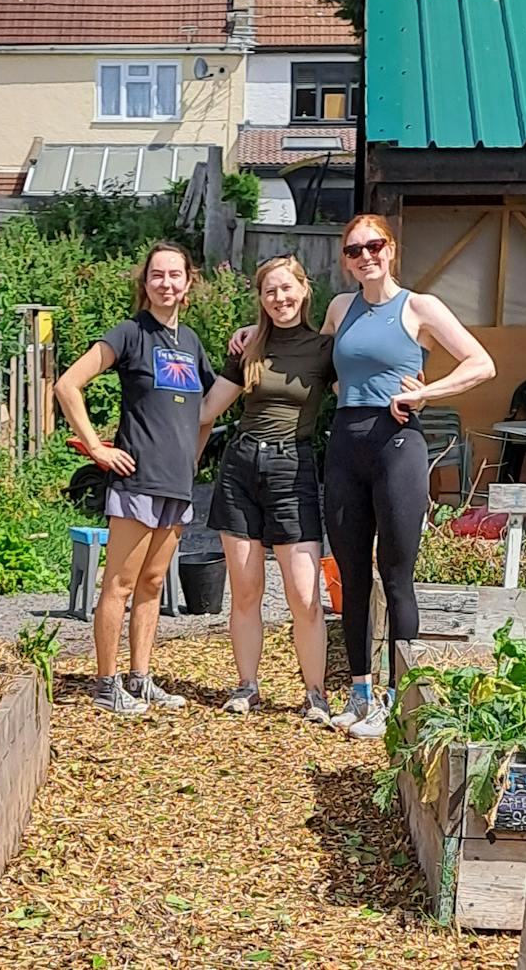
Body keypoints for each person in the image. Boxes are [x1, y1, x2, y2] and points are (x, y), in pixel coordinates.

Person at [228, 216, 494, 738]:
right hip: (346, 446)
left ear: (390, 249)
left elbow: (481, 364)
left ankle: (399, 699)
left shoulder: (420, 307)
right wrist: (254, 334)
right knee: (350, 579)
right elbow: (309, 358)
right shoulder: (340, 309)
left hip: (397, 445)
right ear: (346, 260)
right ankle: (360, 691)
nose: (364, 256)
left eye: (374, 246)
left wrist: (425, 393)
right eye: (354, 250)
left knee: (396, 577)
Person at [54, 242, 215, 716]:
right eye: (157, 275)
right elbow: (67, 385)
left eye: (175, 276)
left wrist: (193, 456)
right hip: (136, 480)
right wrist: (97, 448)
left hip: (176, 484)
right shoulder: (129, 334)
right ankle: (106, 683)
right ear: (145, 284)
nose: (166, 283)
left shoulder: (191, 343)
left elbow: (205, 411)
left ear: (189, 284)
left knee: (153, 584)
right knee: (119, 586)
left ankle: (140, 679)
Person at [196, 256, 335, 722]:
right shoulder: (248, 347)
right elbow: (208, 408)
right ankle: (246, 686)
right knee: (246, 590)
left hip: (293, 467)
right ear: (260, 298)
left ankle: (315, 693)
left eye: (287, 289)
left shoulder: (324, 349)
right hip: (241, 467)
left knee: (304, 594)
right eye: (270, 291)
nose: (280, 299)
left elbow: (359, 389)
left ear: (304, 289)